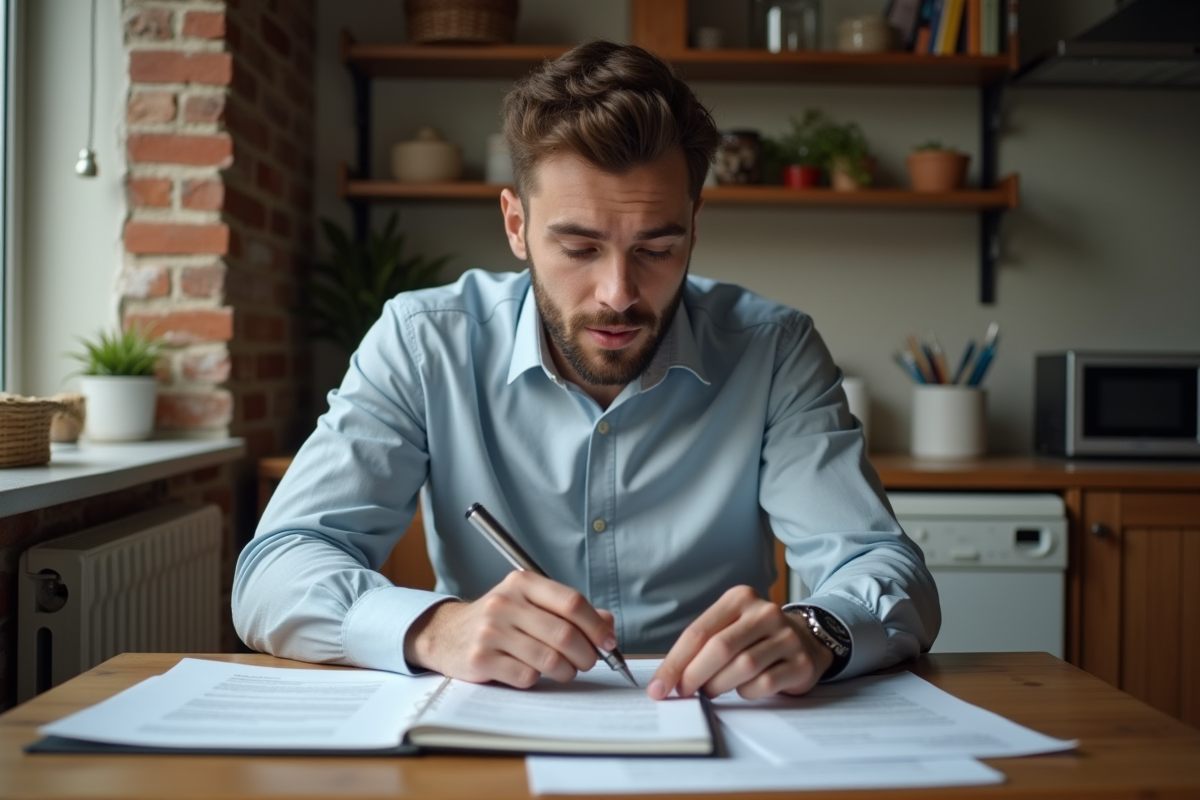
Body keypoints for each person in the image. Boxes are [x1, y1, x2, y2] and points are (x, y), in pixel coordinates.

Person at [234, 40, 939, 701]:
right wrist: (435, 629)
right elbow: (276, 570)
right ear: (516, 225)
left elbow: (883, 567)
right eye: (578, 248)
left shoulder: (773, 350)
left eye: (657, 249)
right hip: (500, 728)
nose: (618, 293)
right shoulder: (425, 342)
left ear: (694, 227)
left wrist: (819, 631)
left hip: (722, 723)